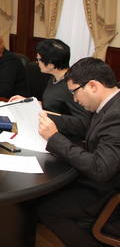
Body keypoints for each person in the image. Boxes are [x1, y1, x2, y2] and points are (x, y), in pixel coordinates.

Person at [37, 57, 120, 247]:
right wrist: (46, 117)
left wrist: (54, 138)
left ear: (93, 86)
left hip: (108, 190)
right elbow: (87, 126)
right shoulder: (111, 103)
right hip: (104, 178)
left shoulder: (116, 115)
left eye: (75, 92)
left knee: (47, 209)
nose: (74, 99)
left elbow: (100, 169)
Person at [9, 39, 89, 129]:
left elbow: (82, 123)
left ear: (51, 64)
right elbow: (53, 105)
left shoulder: (72, 86)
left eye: (38, 59)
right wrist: (29, 102)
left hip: (58, 132)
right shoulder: (54, 77)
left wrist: (46, 115)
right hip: (45, 125)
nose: (37, 62)